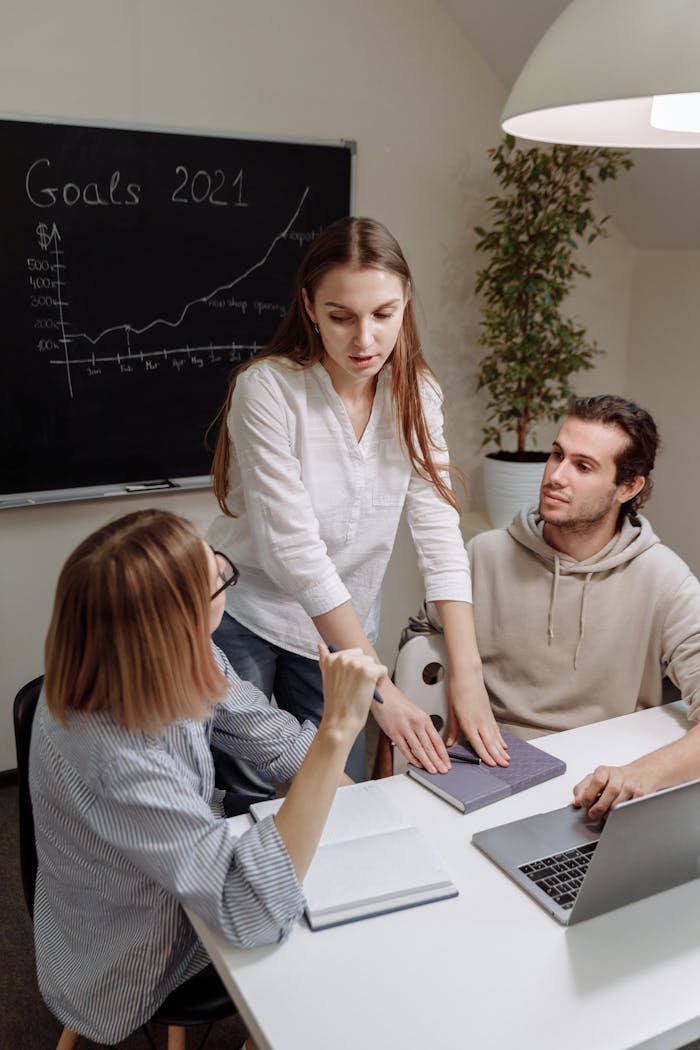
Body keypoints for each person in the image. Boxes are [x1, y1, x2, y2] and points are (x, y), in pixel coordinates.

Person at [30, 508, 385, 1046]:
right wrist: (337, 731)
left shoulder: (158, 652)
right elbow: (252, 911)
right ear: (177, 621)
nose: (224, 567)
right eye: (220, 578)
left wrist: (380, 815)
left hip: (164, 868)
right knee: (326, 957)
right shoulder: (117, 758)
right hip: (125, 951)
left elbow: (275, 738)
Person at [208, 216, 506, 784]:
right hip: (250, 616)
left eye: (383, 315)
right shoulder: (268, 389)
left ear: (406, 302)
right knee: (252, 793)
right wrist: (379, 686)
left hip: (344, 625)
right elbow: (293, 551)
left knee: (336, 794)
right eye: (341, 317)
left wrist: (467, 673)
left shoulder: (416, 392)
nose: (364, 340)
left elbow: (439, 530)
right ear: (310, 306)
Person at [403, 395, 700, 818]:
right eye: (557, 455)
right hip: (493, 765)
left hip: (599, 783)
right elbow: (417, 644)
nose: (556, 476)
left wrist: (643, 774)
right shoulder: (483, 555)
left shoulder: (664, 580)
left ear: (628, 487)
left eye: (583, 466)